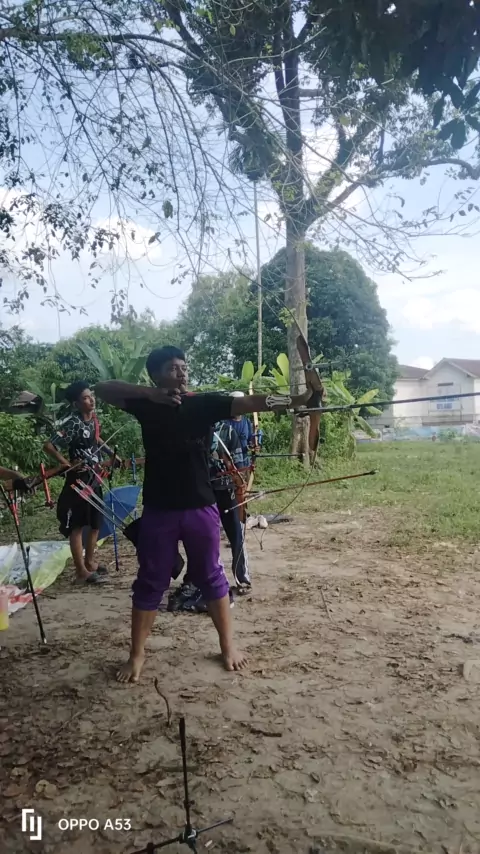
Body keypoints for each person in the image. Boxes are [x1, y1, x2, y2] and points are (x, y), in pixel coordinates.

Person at [95, 345, 313, 683]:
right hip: (159, 509)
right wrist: (150, 394)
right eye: (172, 368)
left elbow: (250, 403)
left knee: (211, 576)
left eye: (184, 366)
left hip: (200, 506)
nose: (181, 372)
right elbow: (101, 388)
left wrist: (298, 400)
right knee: (151, 580)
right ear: (156, 376)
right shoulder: (145, 404)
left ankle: (228, 646)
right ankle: (136, 655)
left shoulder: (201, 403)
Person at [170, 415, 251, 613]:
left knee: (235, 533)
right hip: (203, 494)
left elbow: (239, 465)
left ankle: (242, 577)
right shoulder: (192, 431)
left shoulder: (227, 432)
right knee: (201, 540)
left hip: (226, 491)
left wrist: (239, 482)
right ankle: (194, 580)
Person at [43, 381, 116, 585]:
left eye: (91, 395)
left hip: (95, 476)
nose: (91, 400)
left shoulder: (93, 419)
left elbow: (97, 438)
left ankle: (90, 562)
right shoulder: (73, 423)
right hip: (79, 480)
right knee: (76, 524)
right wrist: (67, 464)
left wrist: (112, 454)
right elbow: (49, 446)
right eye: (85, 397)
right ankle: (81, 571)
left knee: (95, 523)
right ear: (76, 404)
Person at [225, 393, 255, 468]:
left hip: (245, 461)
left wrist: (253, 445)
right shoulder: (225, 423)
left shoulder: (246, 421)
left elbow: (250, 439)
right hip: (230, 464)